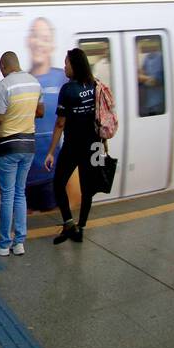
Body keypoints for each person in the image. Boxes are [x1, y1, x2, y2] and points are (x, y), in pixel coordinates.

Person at [0, 52, 44, 257]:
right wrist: (24, 112)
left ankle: (3, 244)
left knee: (7, 195)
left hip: (8, 146)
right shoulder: (35, 82)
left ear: (3, 66)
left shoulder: (3, 86)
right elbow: (41, 111)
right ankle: (19, 243)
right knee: (20, 193)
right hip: (29, 145)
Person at [45, 48, 103, 245]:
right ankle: (81, 228)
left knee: (58, 183)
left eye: (67, 63)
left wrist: (51, 151)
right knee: (88, 189)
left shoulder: (68, 90)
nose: (64, 67)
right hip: (95, 144)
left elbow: (60, 123)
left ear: (75, 65)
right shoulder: (95, 85)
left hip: (73, 146)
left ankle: (69, 223)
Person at [25, 17, 68, 212]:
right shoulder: (21, 81)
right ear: (28, 41)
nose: (39, 42)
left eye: (45, 37)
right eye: (35, 35)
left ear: (52, 44)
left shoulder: (63, 79)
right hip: (24, 171)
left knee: (49, 219)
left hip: (52, 172)